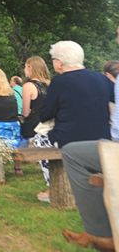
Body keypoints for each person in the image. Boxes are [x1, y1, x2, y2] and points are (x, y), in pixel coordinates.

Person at [33, 41, 113, 203]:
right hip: (102, 137)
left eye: (53, 59)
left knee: (38, 139)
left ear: (59, 62)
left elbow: (45, 115)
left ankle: (51, 188)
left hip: (69, 139)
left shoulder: (59, 82)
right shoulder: (101, 78)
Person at [61, 28, 119, 251]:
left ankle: (100, 233)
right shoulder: (107, 79)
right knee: (74, 150)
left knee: (72, 154)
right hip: (112, 143)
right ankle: (99, 231)